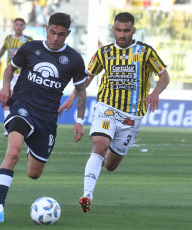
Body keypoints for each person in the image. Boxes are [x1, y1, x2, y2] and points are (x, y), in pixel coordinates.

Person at [58, 12, 170, 213]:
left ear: (133, 30)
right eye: (118, 30)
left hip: (132, 117)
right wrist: (71, 97)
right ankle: (87, 194)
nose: (122, 34)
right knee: (99, 145)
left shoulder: (146, 52)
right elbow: (87, 79)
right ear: (113, 29)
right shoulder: (103, 53)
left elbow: (164, 76)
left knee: (110, 165)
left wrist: (155, 92)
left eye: (127, 30)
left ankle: (100, 162)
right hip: (106, 109)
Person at [0, 12, 87, 222]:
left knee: (34, 174)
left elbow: (81, 91)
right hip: (22, 106)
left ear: (67, 34)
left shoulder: (74, 59)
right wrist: (6, 86)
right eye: (52, 32)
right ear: (46, 29)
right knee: (13, 152)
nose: (55, 38)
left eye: (60, 35)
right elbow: (10, 68)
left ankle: (31, 143)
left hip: (47, 118)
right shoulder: (30, 48)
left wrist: (79, 121)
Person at [0, 18, 33, 136]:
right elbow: (3, 49)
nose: (18, 27)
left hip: (23, 75)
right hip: (11, 75)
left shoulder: (28, 40)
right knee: (8, 101)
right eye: (16, 24)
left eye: (21, 25)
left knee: (24, 101)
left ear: (24, 27)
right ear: (13, 26)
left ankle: (26, 125)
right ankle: (8, 128)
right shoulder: (8, 39)